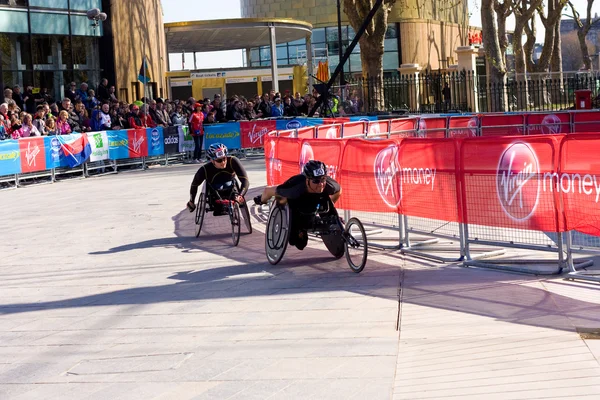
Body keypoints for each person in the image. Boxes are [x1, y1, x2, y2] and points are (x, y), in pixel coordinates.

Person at [253, 160, 342, 250]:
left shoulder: (327, 184)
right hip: (297, 206)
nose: (320, 184)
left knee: (328, 207)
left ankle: (321, 216)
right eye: (316, 181)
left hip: (317, 201)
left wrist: (330, 204)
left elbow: (338, 190)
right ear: (307, 180)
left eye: (323, 180)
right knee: (300, 243)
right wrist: (261, 200)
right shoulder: (295, 186)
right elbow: (268, 190)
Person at [186, 143, 250, 216]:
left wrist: (240, 195)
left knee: (229, 184)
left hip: (230, 190)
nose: (223, 162)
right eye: (219, 160)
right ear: (212, 160)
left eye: (224, 158)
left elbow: (245, 180)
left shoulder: (233, 161)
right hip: (214, 194)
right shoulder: (205, 169)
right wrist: (192, 202)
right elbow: (194, 185)